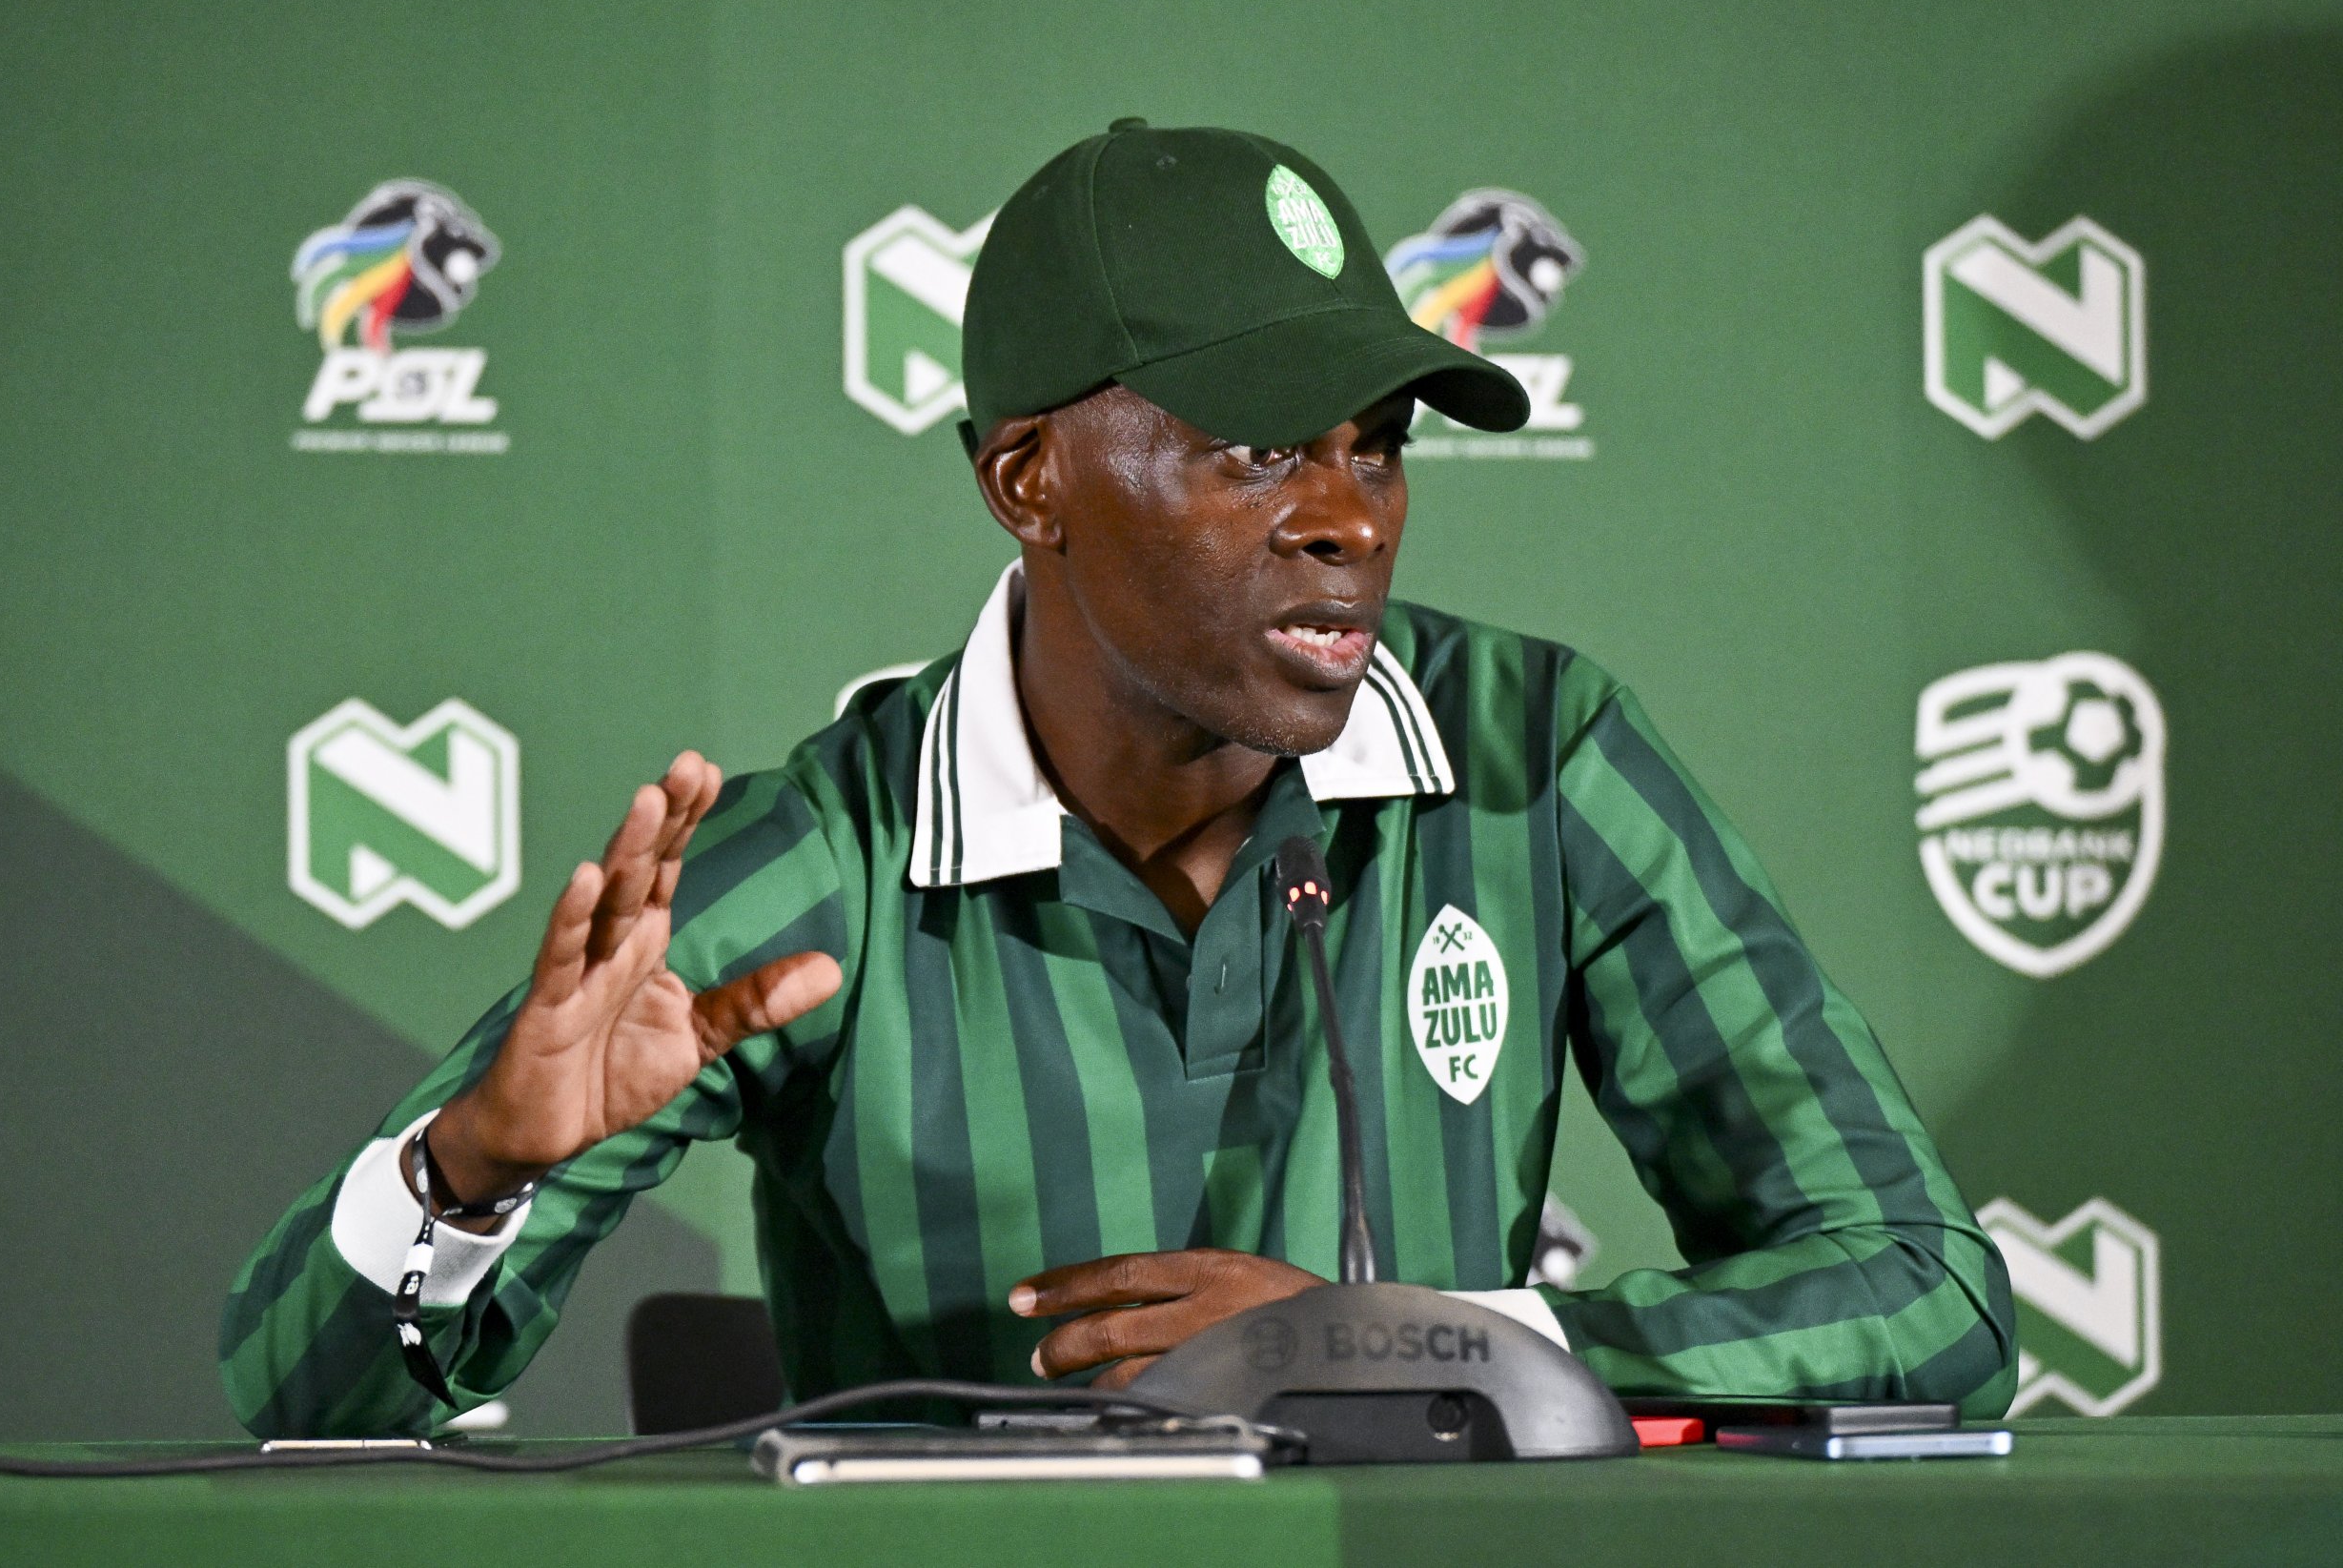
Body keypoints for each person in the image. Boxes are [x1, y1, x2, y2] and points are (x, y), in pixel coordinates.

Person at [220, 120, 2014, 1437]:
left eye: (1376, 447)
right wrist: (473, 1168)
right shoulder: (825, 860)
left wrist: (1428, 1338)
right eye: (1252, 446)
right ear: (1031, 481)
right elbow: (288, 1397)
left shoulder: (1532, 753)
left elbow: (1929, 1291)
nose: (1345, 517)